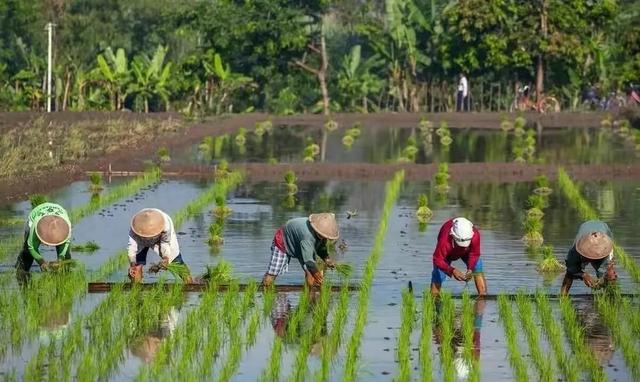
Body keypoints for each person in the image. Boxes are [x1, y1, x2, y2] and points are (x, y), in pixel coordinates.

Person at [262, 213, 339, 287]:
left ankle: (309, 294)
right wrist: (316, 273)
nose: (326, 238)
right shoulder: (307, 236)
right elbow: (309, 261)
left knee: (311, 273)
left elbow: (321, 249)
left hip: (301, 243)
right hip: (283, 240)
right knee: (273, 271)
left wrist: (327, 260)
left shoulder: (322, 235)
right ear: (318, 231)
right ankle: (266, 289)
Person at [127, 208, 193, 283]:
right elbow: (132, 247)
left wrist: (166, 257)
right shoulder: (136, 226)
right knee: (136, 268)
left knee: (176, 260)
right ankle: (136, 286)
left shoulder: (166, 226)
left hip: (161, 239)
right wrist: (132, 264)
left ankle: (190, 283)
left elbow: (165, 243)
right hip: (140, 238)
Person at [430, 217, 487, 296]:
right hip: (448, 253)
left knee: (477, 267)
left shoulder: (475, 235)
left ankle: (482, 296)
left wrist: (470, 269)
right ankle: (434, 298)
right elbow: (437, 259)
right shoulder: (445, 240)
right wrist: (452, 270)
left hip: (467, 252)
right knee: (439, 274)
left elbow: (474, 254)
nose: (463, 247)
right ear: (453, 235)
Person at [16, 202, 72, 280]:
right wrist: (41, 262)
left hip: (58, 210)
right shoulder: (35, 224)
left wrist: (60, 260)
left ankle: (65, 276)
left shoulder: (66, 227)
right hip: (37, 213)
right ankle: (21, 272)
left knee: (66, 256)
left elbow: (66, 245)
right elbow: (31, 247)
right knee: (27, 253)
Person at [560, 220, 617, 295]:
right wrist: (583, 275)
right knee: (569, 274)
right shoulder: (575, 251)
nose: (591, 260)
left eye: (594, 258)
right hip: (585, 230)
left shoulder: (605, 249)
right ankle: (563, 297)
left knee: (610, 276)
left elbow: (608, 272)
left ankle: (611, 298)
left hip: (603, 233)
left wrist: (601, 281)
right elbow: (571, 269)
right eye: (590, 257)